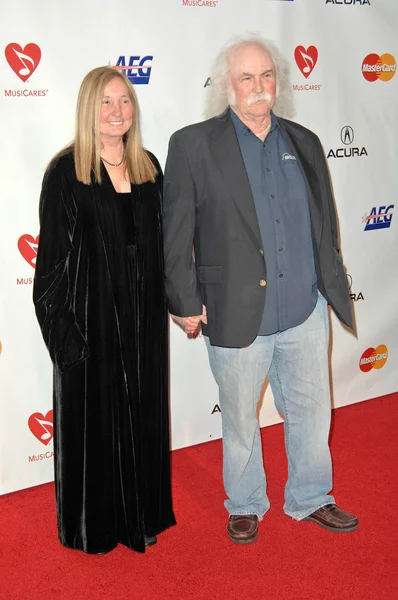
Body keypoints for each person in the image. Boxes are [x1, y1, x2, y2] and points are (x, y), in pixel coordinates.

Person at [162, 35, 358, 544]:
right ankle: (245, 502)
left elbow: (323, 224)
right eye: (246, 77)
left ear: (278, 82)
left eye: (266, 75)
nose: (258, 86)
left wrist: (329, 287)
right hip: (234, 310)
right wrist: (183, 300)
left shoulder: (305, 141)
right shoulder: (193, 144)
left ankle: (312, 496)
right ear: (228, 85)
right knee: (241, 422)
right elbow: (176, 231)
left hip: (304, 311)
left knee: (313, 412)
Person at [33, 66, 175, 554]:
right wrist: (69, 347)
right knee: (99, 431)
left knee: (146, 417)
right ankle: (99, 526)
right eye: (106, 103)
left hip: (145, 325)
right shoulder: (65, 173)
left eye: (125, 101)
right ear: (88, 110)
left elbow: (165, 249)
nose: (118, 112)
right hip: (91, 328)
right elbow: (49, 272)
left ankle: (143, 516)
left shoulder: (149, 167)